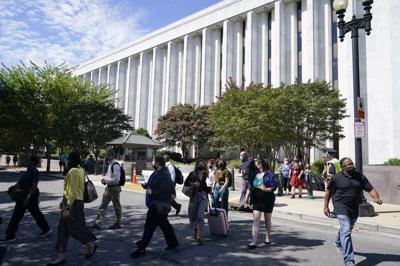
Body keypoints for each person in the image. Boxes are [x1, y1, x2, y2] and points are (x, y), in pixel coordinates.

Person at [324, 157, 382, 266]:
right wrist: (326, 207)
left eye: (352, 163)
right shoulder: (336, 178)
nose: (351, 165)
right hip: (340, 206)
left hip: (354, 207)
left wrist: (376, 198)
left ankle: (338, 241)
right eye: (349, 164)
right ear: (343, 167)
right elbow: (328, 193)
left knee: (347, 229)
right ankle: (349, 260)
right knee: (346, 230)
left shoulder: (359, 177)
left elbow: (370, 189)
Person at [48, 151, 97, 265]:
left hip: (73, 204)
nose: (66, 161)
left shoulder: (73, 171)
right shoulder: (80, 170)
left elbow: (73, 192)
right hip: (75, 202)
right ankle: (62, 255)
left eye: (68, 159)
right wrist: (63, 200)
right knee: (64, 229)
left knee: (73, 229)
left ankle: (90, 244)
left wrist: (67, 207)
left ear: (71, 160)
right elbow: (71, 190)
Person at [130, 155, 179, 258]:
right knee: (164, 225)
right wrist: (147, 186)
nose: (152, 162)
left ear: (157, 162)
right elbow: (155, 184)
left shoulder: (164, 174)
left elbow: (167, 190)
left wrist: (152, 192)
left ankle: (142, 248)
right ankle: (173, 243)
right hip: (156, 204)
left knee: (149, 227)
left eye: (153, 161)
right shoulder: (158, 172)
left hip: (157, 205)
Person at [3, 156, 51, 242]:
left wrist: (28, 199)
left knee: (18, 215)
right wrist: (13, 188)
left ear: (32, 163)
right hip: (23, 195)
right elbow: (21, 183)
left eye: (28, 160)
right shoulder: (28, 171)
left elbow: (34, 186)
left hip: (29, 196)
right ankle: (46, 228)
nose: (26, 161)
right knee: (35, 214)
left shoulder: (34, 172)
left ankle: (10, 236)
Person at [247, 159, 276, 248]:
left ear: (261, 164)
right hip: (256, 199)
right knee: (256, 219)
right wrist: (247, 197)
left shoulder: (269, 174)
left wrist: (265, 189)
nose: (255, 164)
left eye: (257, 163)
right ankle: (254, 241)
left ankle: (267, 238)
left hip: (268, 199)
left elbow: (273, 187)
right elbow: (251, 186)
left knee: (267, 219)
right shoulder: (254, 174)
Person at [90, 148, 122, 230]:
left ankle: (118, 223)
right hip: (109, 188)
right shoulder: (111, 164)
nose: (106, 157)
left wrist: (106, 180)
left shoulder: (115, 165)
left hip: (114, 188)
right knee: (102, 206)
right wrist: (105, 180)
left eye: (107, 155)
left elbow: (116, 179)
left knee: (116, 206)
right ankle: (97, 223)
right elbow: (111, 177)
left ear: (111, 156)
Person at [184, 159, 210, 244]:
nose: (201, 166)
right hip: (194, 196)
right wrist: (194, 184)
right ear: (197, 165)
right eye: (200, 164)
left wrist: (209, 190)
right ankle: (195, 231)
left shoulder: (205, 174)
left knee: (200, 215)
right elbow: (186, 183)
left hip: (203, 197)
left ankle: (199, 234)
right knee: (193, 215)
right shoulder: (193, 174)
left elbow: (204, 185)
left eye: (203, 165)